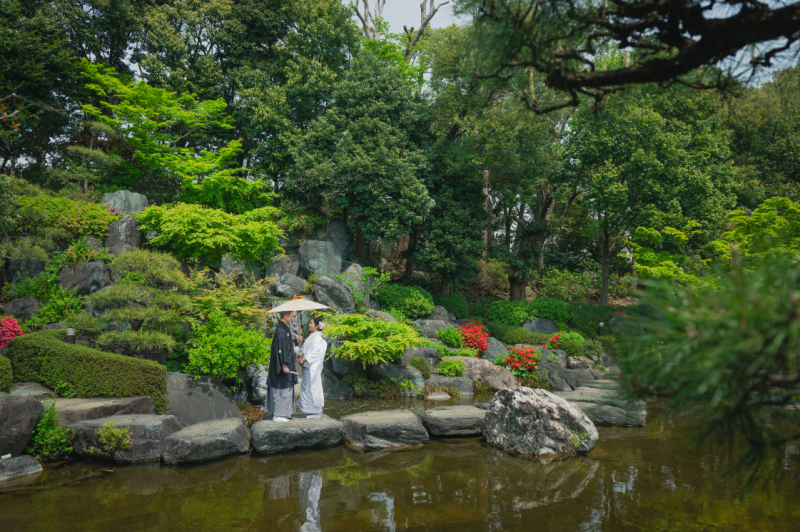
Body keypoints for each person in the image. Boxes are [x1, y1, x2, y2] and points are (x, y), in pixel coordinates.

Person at [266, 311, 302, 422]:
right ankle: (278, 415)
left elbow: (287, 345)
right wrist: (284, 364)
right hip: (282, 367)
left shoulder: (284, 329)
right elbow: (280, 350)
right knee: (282, 388)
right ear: (285, 316)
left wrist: (296, 341)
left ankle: (285, 413)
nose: (292, 318)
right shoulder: (281, 330)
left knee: (287, 389)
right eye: (291, 316)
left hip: (285, 365)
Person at [297, 317, 327, 419]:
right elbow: (305, 349)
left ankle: (316, 412)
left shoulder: (318, 338)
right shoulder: (311, 337)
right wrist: (301, 356)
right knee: (306, 388)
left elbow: (317, 353)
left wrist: (305, 359)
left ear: (317, 326)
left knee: (313, 387)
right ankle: (309, 410)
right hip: (307, 367)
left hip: (312, 367)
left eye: (311, 323)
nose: (309, 325)